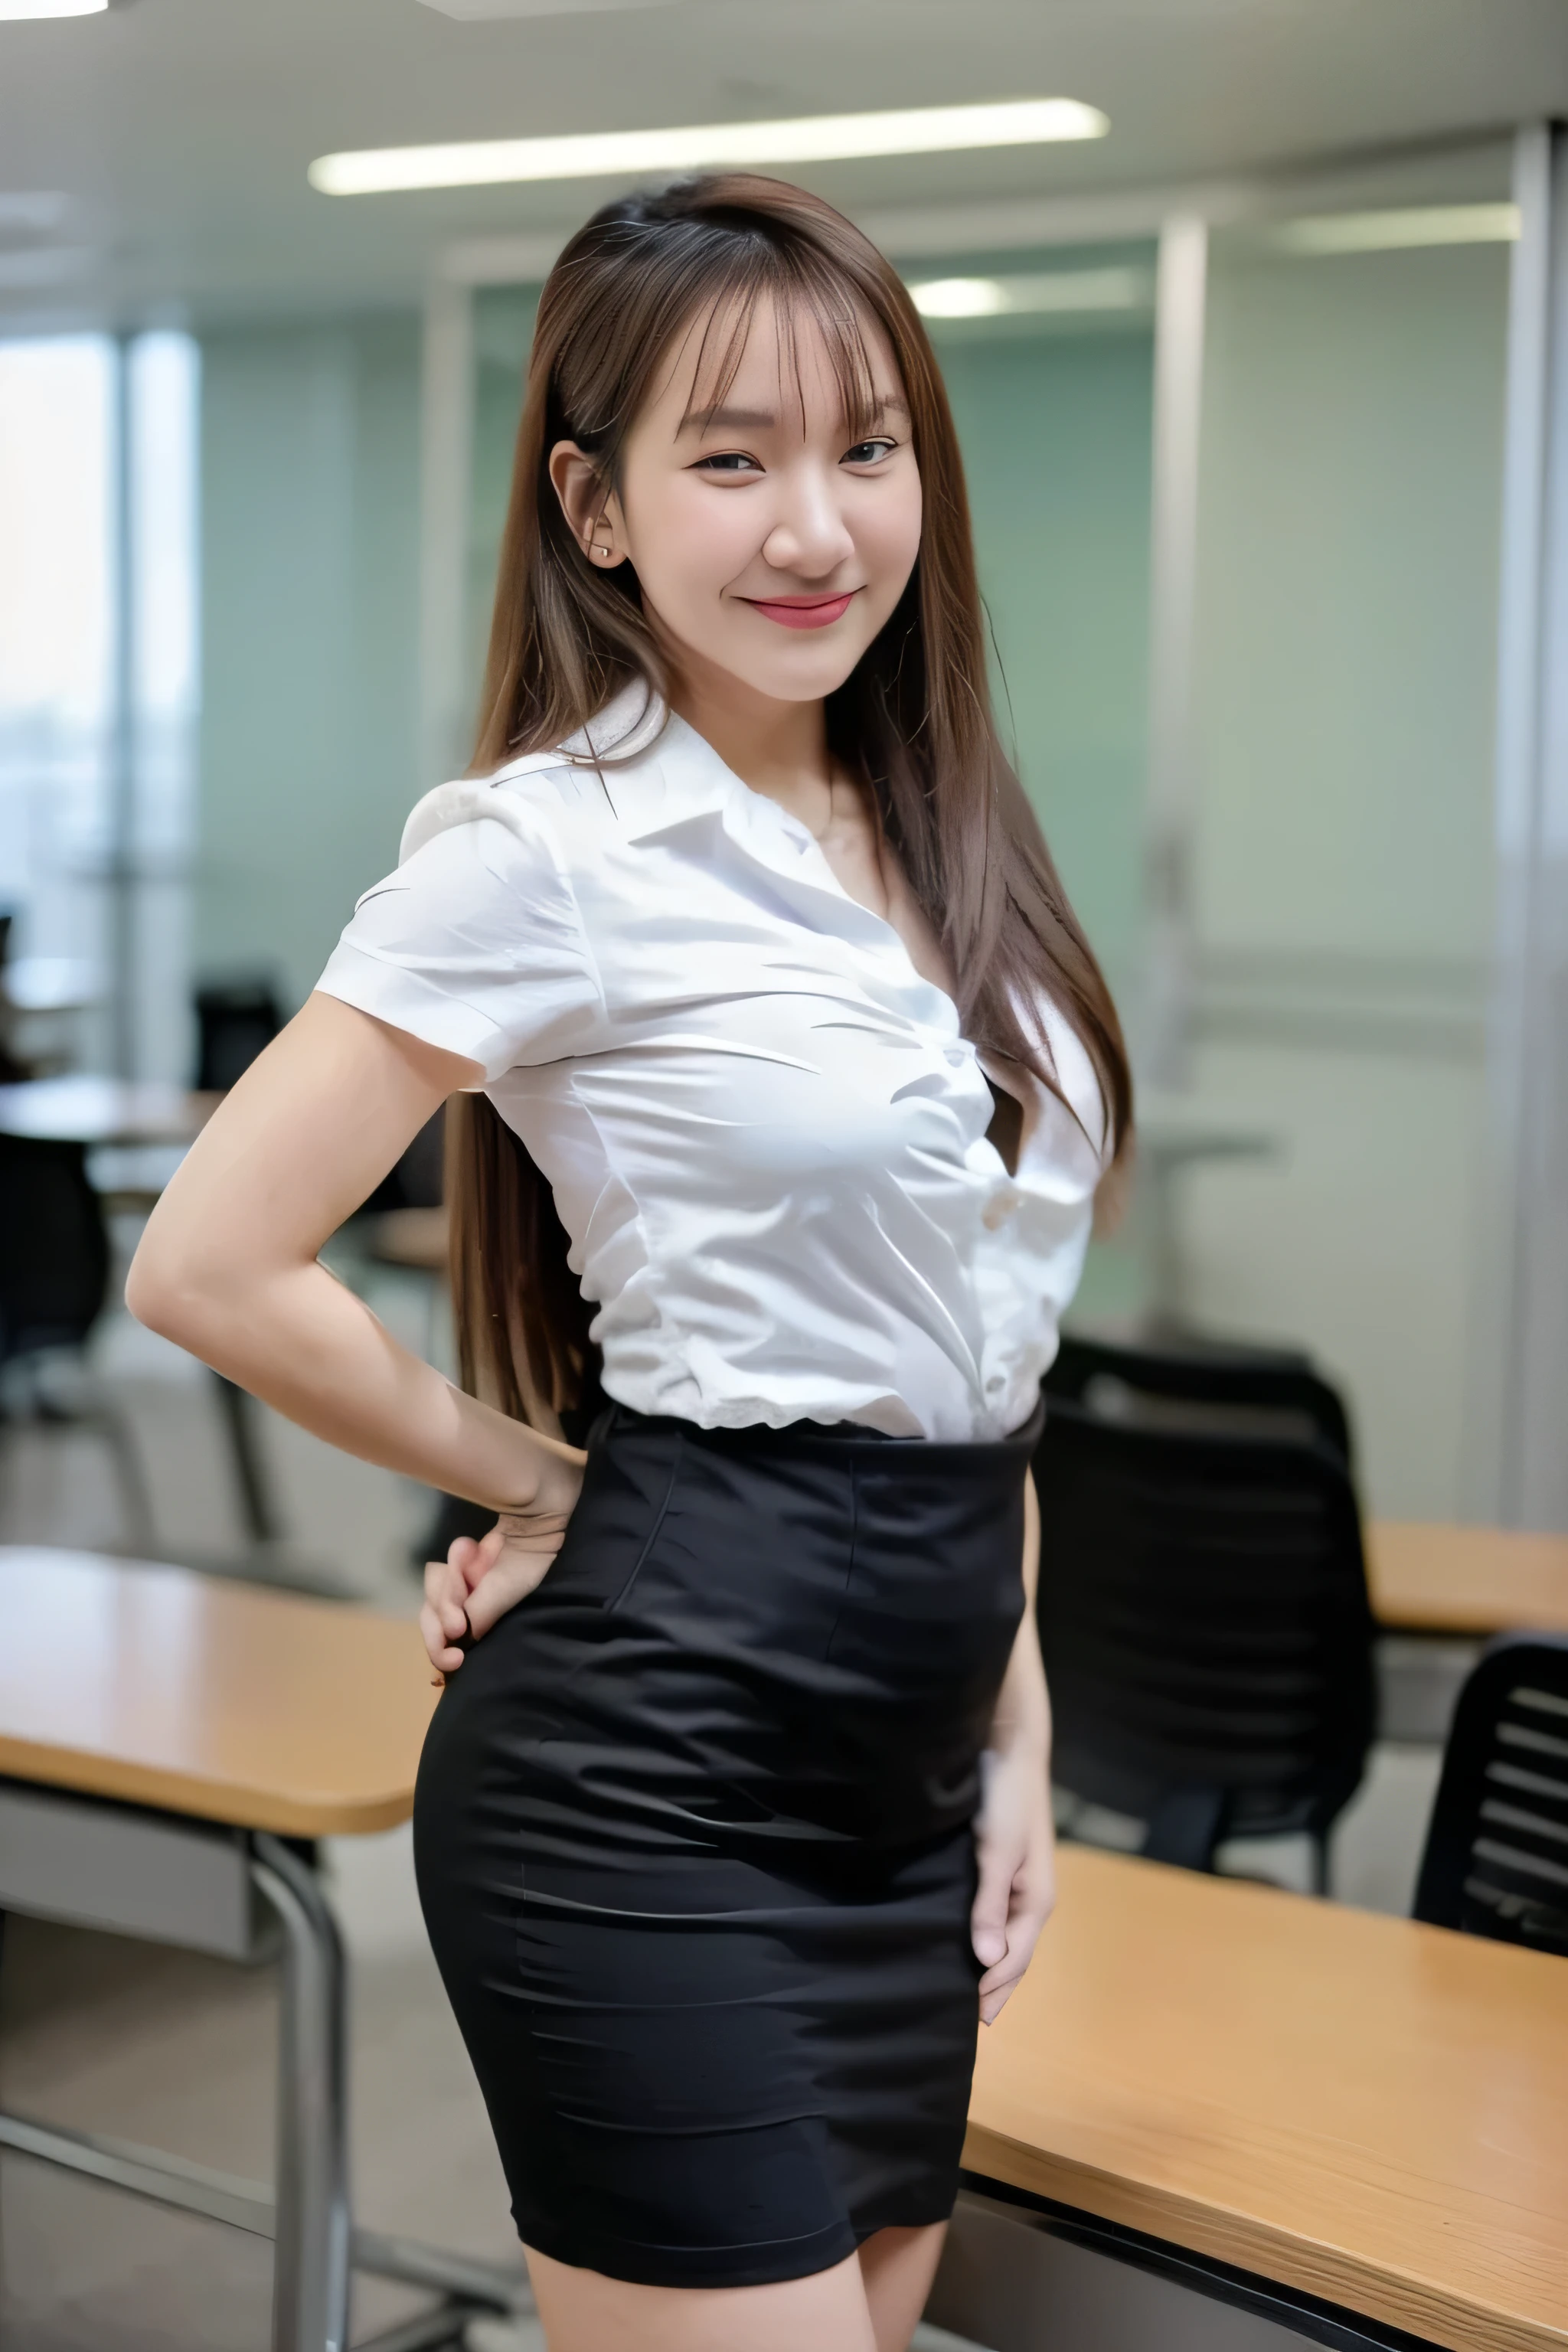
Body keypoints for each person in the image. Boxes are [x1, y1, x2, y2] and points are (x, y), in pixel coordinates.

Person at [128, 174, 1130, 2352]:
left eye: (867, 449)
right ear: (597, 509)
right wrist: (544, 1480)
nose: (817, 527)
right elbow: (210, 1264)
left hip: (909, 1789)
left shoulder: (954, 832)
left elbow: (974, 1353)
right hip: (644, 1796)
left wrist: (1020, 1731)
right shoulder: (549, 850)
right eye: (732, 457)